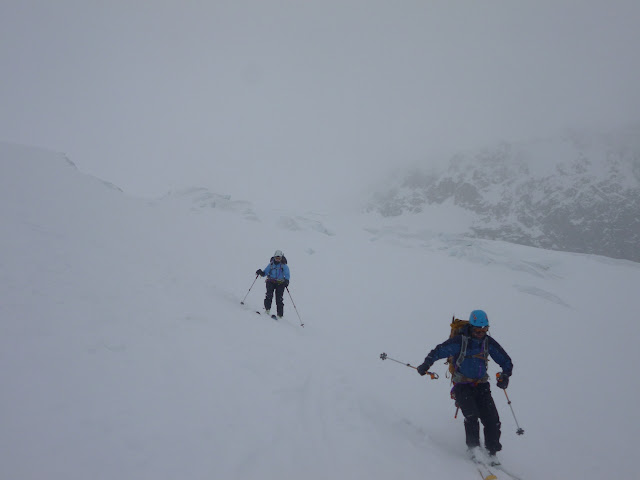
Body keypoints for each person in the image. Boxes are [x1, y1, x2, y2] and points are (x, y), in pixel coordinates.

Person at [416, 310, 513, 463]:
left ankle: (491, 451)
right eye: (478, 330)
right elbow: (438, 351)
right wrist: (427, 363)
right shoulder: (460, 341)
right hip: (462, 385)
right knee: (471, 415)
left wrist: (505, 375)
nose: (481, 333)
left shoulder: (488, 343)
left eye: (484, 330)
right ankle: (474, 449)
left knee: (492, 419)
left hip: (481, 385)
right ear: (471, 328)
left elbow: (506, 360)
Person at [255, 250, 290, 318]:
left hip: (280, 283)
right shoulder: (271, 264)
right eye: (276, 258)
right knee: (269, 295)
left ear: (281, 258)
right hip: (270, 281)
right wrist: (261, 273)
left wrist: (286, 281)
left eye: (279, 258)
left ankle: (280, 315)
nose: (277, 259)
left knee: (279, 298)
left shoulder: (284, 266)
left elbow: (287, 274)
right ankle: (267, 309)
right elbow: (265, 272)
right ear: (274, 257)